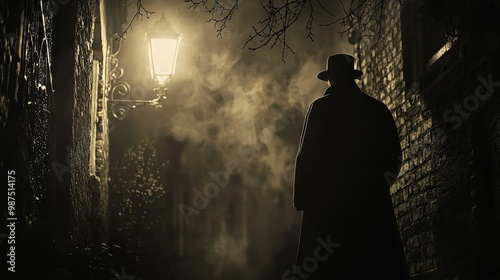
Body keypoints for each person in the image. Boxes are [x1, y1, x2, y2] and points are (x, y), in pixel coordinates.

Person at [292, 54, 408, 279]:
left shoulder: (320, 108)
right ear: (352, 77)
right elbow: (393, 155)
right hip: (370, 208)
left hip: (327, 208)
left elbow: (306, 156)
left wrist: (303, 197)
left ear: (330, 79)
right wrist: (377, 189)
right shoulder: (376, 109)